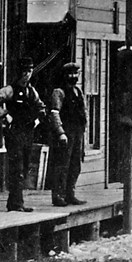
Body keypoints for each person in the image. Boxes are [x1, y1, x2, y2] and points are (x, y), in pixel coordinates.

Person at [0, 57, 46, 212]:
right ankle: (16, 204)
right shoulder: (10, 89)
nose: (27, 75)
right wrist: (5, 115)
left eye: (30, 71)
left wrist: (37, 121)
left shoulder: (31, 90)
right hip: (14, 133)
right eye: (24, 71)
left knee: (25, 166)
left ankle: (16, 201)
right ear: (19, 72)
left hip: (27, 132)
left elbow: (41, 108)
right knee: (17, 167)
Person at [47, 62, 87, 207]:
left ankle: (70, 194)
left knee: (75, 164)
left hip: (78, 132)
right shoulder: (59, 92)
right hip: (66, 132)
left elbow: (83, 111)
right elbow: (54, 113)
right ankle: (58, 195)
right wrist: (60, 132)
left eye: (76, 73)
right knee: (62, 164)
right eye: (70, 74)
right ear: (64, 75)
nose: (73, 77)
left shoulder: (78, 91)